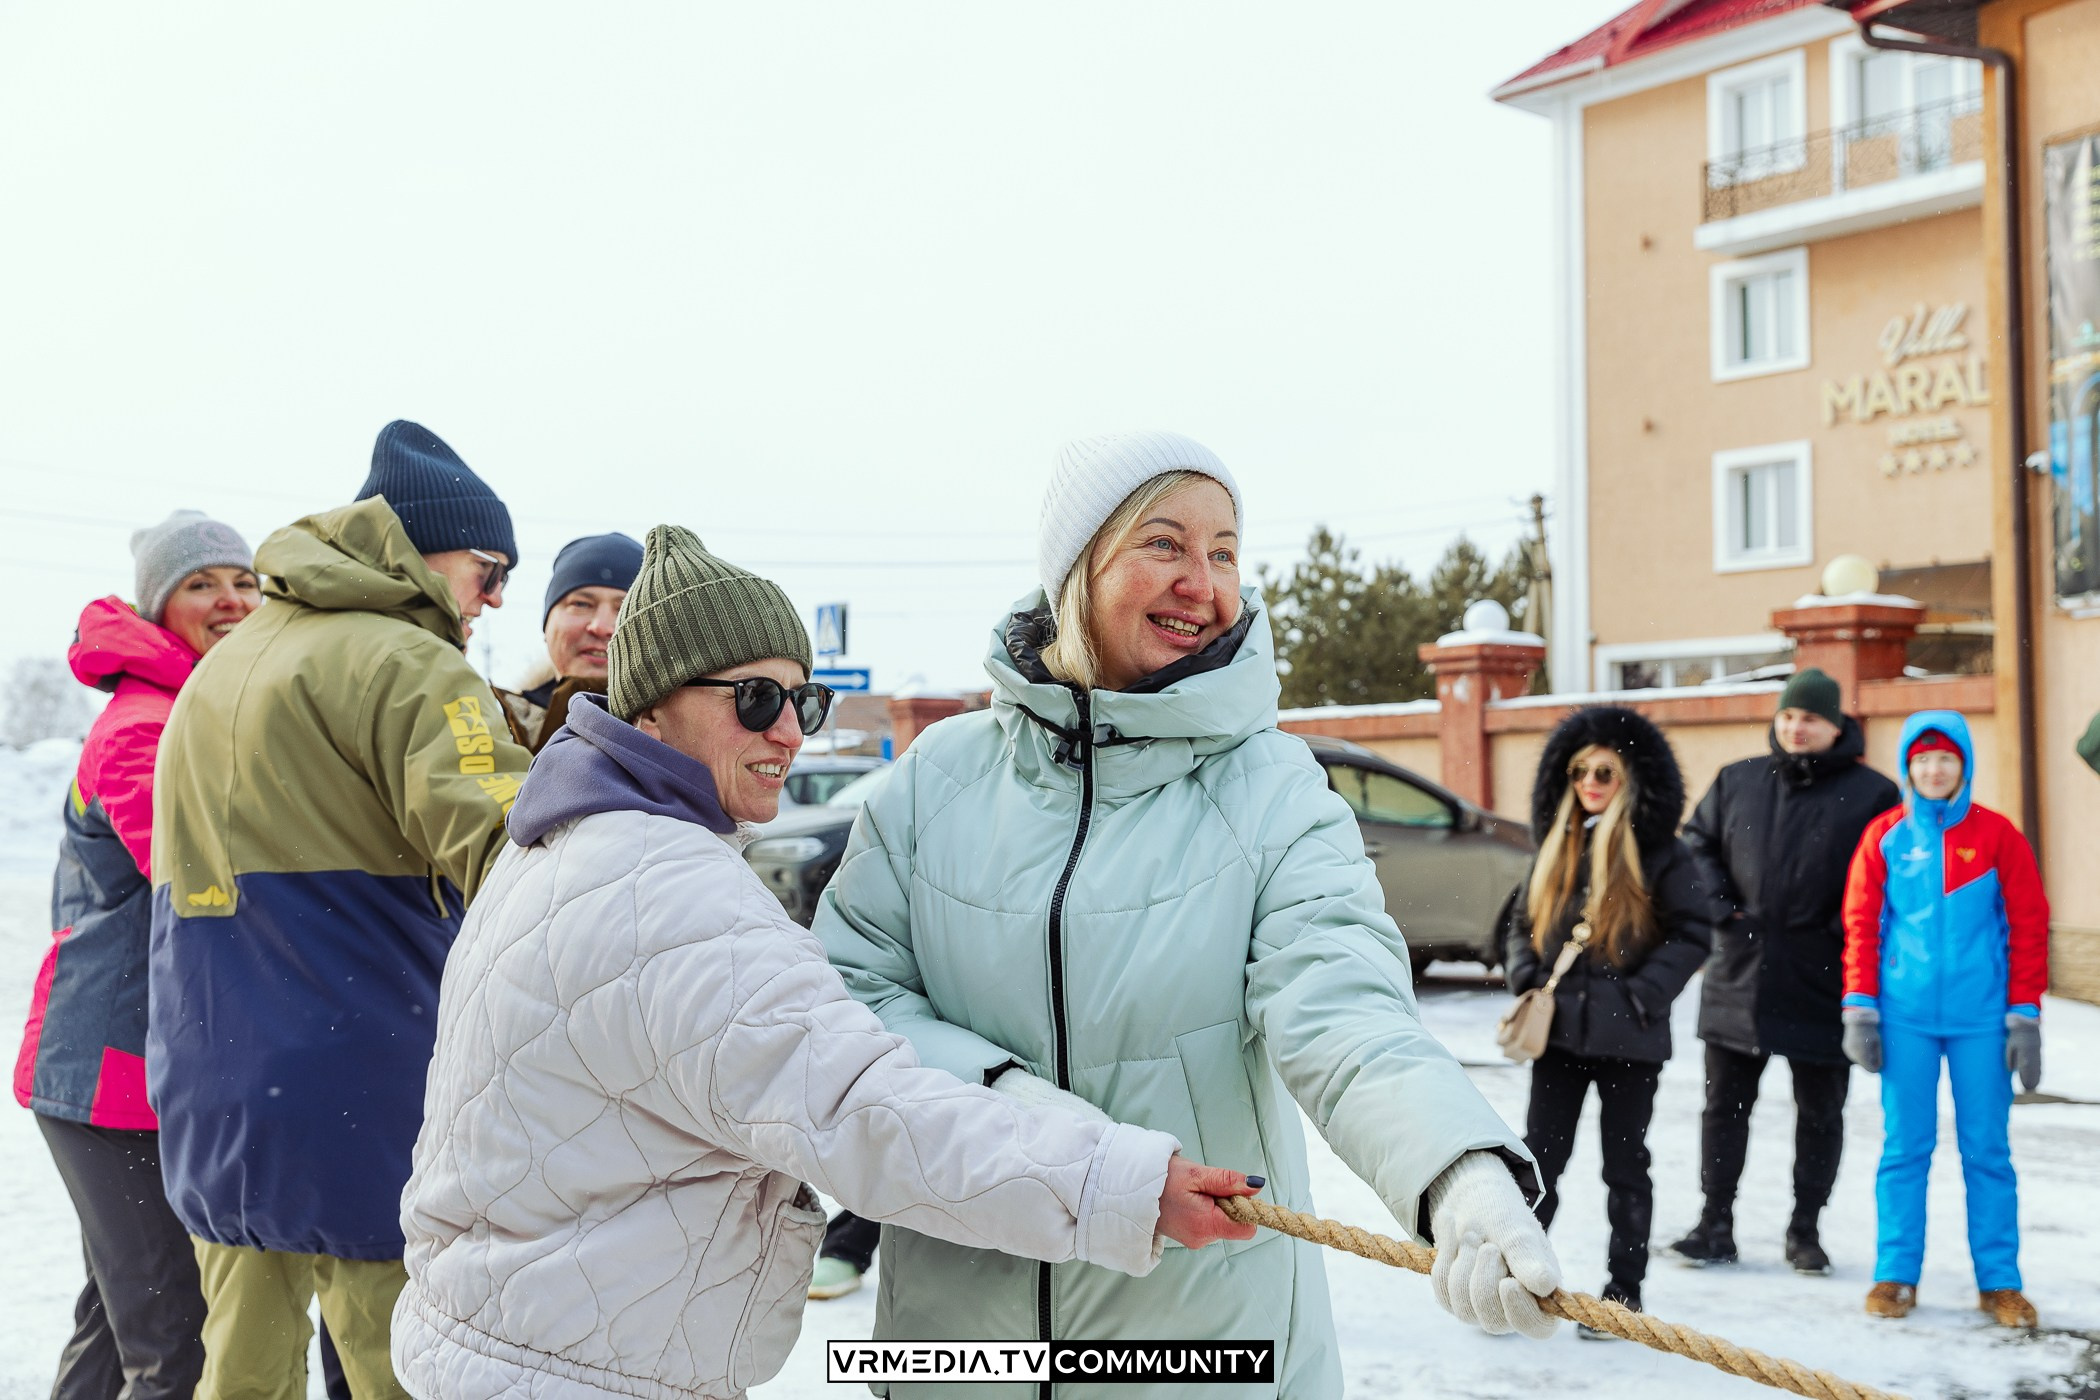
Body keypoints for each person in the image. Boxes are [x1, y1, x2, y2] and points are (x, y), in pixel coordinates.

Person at [391, 526, 1260, 1398]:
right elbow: (863, 1115)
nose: (788, 733)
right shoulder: (665, 893)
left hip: (500, 1342)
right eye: (756, 698)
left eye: (803, 704)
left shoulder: (565, 842)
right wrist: (1120, 1186)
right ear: (653, 704)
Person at [816, 431, 1564, 1398]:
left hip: (1206, 1351)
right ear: (1077, 569)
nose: (1202, 583)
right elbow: (848, 1009)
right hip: (958, 1355)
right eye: (1163, 544)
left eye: (1223, 552)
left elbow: (1345, 1010)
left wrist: (1455, 1168)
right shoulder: (933, 783)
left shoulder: (1274, 788)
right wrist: (1034, 1129)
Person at [149, 421, 533, 1400]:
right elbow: (513, 845)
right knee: (405, 1367)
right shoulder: (412, 665)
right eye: (488, 572)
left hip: (217, 1084)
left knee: (239, 1372)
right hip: (362, 1080)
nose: (492, 601)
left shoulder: (221, 669)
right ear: (421, 549)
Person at [14, 512, 258, 1400]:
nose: (229, 601)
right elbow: (198, 877)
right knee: (169, 1333)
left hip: (132, 1067)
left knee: (115, 1322)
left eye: (244, 581)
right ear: (161, 604)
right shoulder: (144, 725)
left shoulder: (199, 703)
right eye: (201, 585)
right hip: (105, 1070)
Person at [1667, 668, 1900, 1275]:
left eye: (1811, 719)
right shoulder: (1738, 780)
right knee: (1724, 1109)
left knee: (1820, 1113)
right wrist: (1723, 911)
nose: (1797, 728)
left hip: (1823, 977)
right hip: (1739, 973)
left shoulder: (1873, 795)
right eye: (1789, 716)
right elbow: (1696, 846)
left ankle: (1805, 1230)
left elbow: (1882, 879)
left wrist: (1838, 935)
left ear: (1835, 725)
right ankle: (1715, 1222)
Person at [1503, 706, 1715, 1336]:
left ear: (1629, 777)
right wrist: (1528, 982)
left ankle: (1624, 1295)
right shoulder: (1556, 844)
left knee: (1625, 1168)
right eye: (1579, 771)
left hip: (1632, 1042)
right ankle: (1521, 1282)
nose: (1591, 782)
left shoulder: (1661, 853)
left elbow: (1693, 932)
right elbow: (1520, 924)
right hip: (1560, 1039)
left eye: (1605, 771)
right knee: (1541, 1163)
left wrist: (1644, 996)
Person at [1840, 711, 2049, 1327]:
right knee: (1906, 1147)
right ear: (1909, 767)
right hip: (1904, 1019)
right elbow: (1862, 925)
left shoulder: (1998, 837)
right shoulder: (1886, 836)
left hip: (1982, 1020)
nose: (1934, 770)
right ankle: (1896, 1276)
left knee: (1988, 1150)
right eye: (1923, 759)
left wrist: (2025, 1016)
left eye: (1946, 759)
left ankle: (2001, 1282)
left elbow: (2028, 927)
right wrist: (1861, 1008)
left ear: (1964, 766)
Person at [493, 531, 643, 753]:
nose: (601, 627)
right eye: (581, 604)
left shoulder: (683, 738)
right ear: (546, 625)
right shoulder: (490, 728)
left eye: (624, 609)